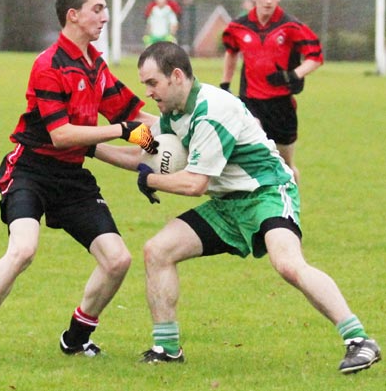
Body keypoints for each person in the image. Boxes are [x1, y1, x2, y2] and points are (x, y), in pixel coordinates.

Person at [94, 41, 381, 373]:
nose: (148, 92)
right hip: (227, 204)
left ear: (175, 76)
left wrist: (149, 180)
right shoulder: (174, 113)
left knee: (288, 264)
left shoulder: (211, 111)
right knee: (157, 250)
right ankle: (167, 348)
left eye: (152, 83)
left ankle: (359, 340)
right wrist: (90, 148)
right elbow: (148, 153)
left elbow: (193, 184)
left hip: (267, 193)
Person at [0, 0, 158, 364]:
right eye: (98, 9)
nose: (105, 16)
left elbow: (135, 115)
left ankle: (76, 338)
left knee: (118, 259)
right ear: (73, 16)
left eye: (105, 9)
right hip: (31, 171)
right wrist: (125, 133)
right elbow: (62, 135)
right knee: (23, 249)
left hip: (72, 177)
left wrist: (179, 131)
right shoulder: (48, 65)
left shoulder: (96, 65)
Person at [220, 0, 324, 184]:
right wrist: (225, 84)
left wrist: (294, 74)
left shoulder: (291, 26)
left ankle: (291, 211)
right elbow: (231, 52)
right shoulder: (238, 27)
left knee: (287, 167)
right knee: (256, 151)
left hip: (281, 106)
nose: (268, 1)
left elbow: (316, 57)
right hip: (250, 101)